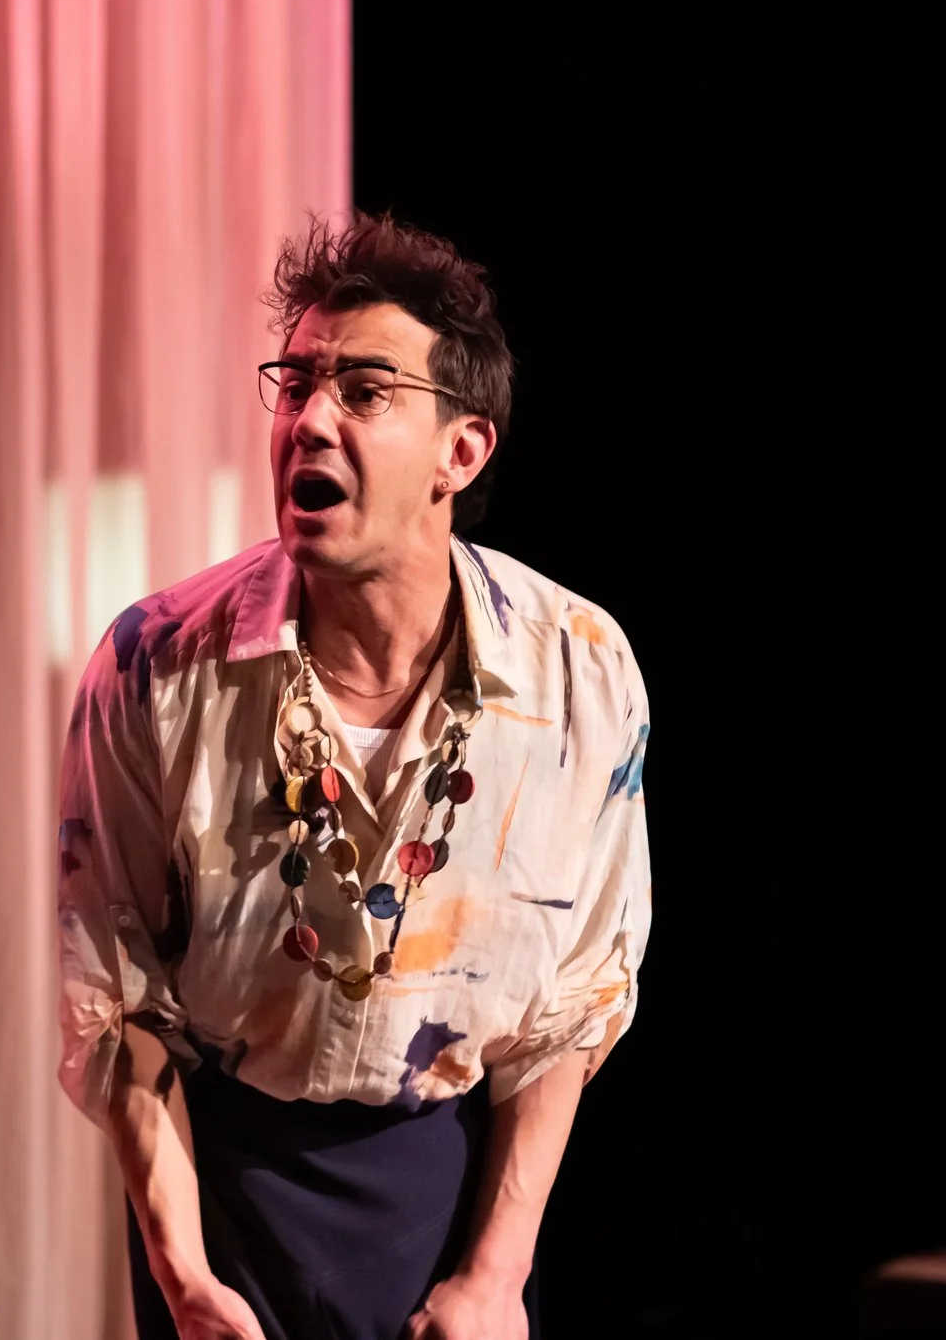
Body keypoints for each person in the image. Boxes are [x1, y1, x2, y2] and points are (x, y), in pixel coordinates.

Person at [57, 214, 652, 1340]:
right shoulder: (154, 664)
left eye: (365, 389)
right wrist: (183, 1274)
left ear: (460, 451)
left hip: (445, 1189)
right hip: (221, 1188)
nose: (310, 417)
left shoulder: (576, 667)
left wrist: (493, 1278)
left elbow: (571, 1006)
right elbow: (113, 987)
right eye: (297, 382)